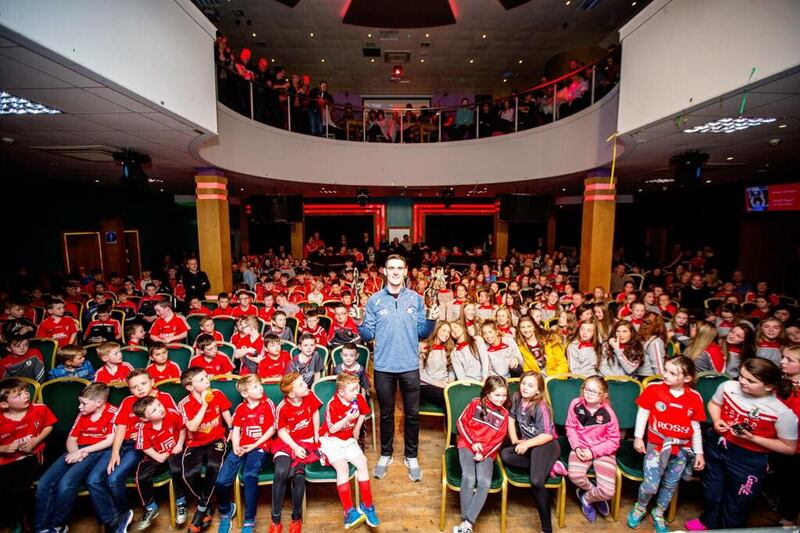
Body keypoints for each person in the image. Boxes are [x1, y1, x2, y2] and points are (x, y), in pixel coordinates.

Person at [686, 357, 797, 530]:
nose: (742, 382)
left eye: (750, 381)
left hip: (748, 461)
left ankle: (729, 529)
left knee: (737, 501)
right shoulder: (728, 387)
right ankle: (709, 522)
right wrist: (716, 420)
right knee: (712, 492)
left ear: (768, 386)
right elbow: (714, 404)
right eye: (741, 376)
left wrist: (753, 438)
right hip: (717, 448)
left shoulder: (782, 413)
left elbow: (789, 448)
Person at [356, 254, 436, 482]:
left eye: (399, 268)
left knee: (412, 415)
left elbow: (423, 332)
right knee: (387, 415)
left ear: (405, 271)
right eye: (391, 268)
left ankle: (411, 456)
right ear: (384, 271)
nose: (395, 272)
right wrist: (360, 322)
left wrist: (432, 320)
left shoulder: (417, 299)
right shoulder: (374, 301)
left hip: (409, 365)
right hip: (383, 366)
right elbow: (368, 335)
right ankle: (386, 454)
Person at [93, 369, 178, 532]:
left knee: (113, 479)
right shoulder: (127, 401)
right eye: (134, 387)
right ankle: (114, 518)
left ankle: (124, 516)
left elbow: (171, 423)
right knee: (96, 479)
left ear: (152, 381)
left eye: (143, 384)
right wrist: (115, 452)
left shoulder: (163, 398)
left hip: (144, 447)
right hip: (124, 444)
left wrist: (141, 431)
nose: (139, 389)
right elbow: (120, 428)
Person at [628, 356, 705, 533]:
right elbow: (643, 414)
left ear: (686, 378)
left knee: (670, 484)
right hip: (656, 446)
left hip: (682, 449)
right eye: (665, 370)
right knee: (651, 484)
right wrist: (638, 437)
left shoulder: (694, 397)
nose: (665, 374)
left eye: (672, 373)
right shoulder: (654, 389)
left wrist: (699, 453)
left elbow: (695, 427)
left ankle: (659, 512)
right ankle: (640, 507)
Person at [35, 383, 123, 533]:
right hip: (76, 451)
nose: (79, 407)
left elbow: (109, 441)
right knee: (44, 483)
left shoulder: (113, 412)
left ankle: (58, 524)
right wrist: (75, 453)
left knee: (66, 482)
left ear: (99, 402)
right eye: (79, 403)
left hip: (96, 450)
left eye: (84, 403)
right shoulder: (82, 414)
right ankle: (42, 527)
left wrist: (83, 454)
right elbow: (71, 439)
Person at [499, 371, 561, 533]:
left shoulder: (541, 408)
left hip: (545, 444)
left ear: (538, 391)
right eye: (523, 383)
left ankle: (547, 528)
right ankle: (546, 466)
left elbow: (547, 435)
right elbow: (511, 418)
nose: (525, 387)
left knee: (536, 481)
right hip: (530, 445)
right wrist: (514, 439)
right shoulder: (517, 397)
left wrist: (527, 444)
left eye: (531, 385)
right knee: (505, 454)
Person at [215, 374, 276, 533]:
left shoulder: (267, 403)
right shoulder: (241, 408)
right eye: (255, 387)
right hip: (241, 446)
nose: (260, 388)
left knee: (249, 475)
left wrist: (253, 446)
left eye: (259, 384)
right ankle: (226, 511)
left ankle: (249, 519)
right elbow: (236, 429)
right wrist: (236, 445)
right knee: (222, 480)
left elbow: (272, 429)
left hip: (260, 446)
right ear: (244, 394)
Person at [319, 373, 380, 529]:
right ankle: (348, 511)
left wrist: (357, 428)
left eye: (357, 388)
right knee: (343, 467)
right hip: (330, 440)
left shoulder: (358, 397)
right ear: (341, 392)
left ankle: (367, 505)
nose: (356, 392)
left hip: (347, 439)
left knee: (362, 462)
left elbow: (363, 412)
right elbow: (332, 428)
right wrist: (347, 419)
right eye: (352, 390)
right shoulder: (333, 404)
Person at [178, 367, 233, 533]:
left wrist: (230, 428)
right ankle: (207, 505)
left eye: (206, 377)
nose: (207, 380)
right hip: (195, 442)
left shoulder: (217, 393)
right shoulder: (184, 404)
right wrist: (204, 405)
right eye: (201, 379)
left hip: (216, 438)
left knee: (213, 466)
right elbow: (193, 427)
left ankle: (201, 509)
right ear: (189, 387)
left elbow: (225, 411)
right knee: (188, 474)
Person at [454, 375, 509, 533]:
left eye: (504, 395)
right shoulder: (475, 403)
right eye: (497, 395)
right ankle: (464, 520)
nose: (501, 399)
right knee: (469, 477)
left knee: (484, 482)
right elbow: (460, 423)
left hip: (486, 452)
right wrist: (473, 443)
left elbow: (499, 440)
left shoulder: (504, 414)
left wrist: (484, 453)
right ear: (488, 393)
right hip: (467, 444)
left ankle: (468, 524)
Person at [0, 378, 56, 530]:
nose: (25, 395)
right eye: (18, 395)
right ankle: (11, 518)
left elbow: (48, 426)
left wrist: (35, 441)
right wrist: (4, 448)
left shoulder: (39, 409)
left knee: (21, 487)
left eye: (25, 391)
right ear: (4, 404)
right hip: (7, 460)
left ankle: (26, 523)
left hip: (33, 455)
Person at [272, 372, 322, 533]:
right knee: (281, 471)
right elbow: (281, 432)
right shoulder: (283, 407)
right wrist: (294, 446)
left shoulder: (310, 395)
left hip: (307, 442)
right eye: (301, 384)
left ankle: (296, 517)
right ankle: (276, 521)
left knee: (298, 476)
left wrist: (315, 434)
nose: (306, 384)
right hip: (287, 442)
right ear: (292, 394)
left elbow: (315, 412)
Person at [566, 376, 620, 522]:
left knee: (608, 492)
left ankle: (588, 498)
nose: (589, 393)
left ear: (603, 396)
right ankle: (595, 493)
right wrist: (576, 447)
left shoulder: (608, 413)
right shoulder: (576, 404)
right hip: (581, 447)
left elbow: (614, 441)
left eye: (594, 392)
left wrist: (593, 452)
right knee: (575, 476)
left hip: (603, 451)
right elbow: (570, 427)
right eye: (587, 389)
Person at [132, 395, 188, 530]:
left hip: (173, 450)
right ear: (145, 418)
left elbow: (182, 429)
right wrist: (157, 456)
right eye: (154, 410)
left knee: (176, 470)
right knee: (141, 476)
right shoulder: (143, 427)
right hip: (155, 454)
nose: (160, 409)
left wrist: (179, 444)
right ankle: (150, 507)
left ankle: (181, 503)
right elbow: (145, 447)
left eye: (159, 405)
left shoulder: (172, 414)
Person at [420, 322, 454, 408]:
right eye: (444, 330)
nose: (446, 334)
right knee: (448, 398)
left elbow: (451, 370)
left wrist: (450, 382)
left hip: (445, 384)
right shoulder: (424, 347)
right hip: (428, 384)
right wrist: (436, 383)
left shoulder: (448, 349)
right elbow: (419, 372)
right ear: (436, 330)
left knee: (457, 396)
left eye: (448, 332)